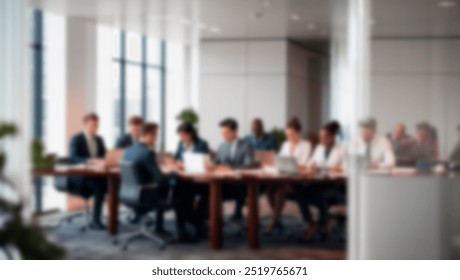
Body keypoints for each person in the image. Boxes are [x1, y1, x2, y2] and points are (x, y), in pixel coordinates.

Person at [123, 123, 197, 242]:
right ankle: (182, 233)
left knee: (165, 189)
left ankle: (159, 226)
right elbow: (160, 179)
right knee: (183, 190)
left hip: (129, 194)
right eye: (156, 135)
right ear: (148, 135)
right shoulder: (147, 153)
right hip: (145, 196)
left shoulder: (129, 150)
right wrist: (174, 173)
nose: (157, 138)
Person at [301, 121, 347, 241]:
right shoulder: (319, 148)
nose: (321, 140)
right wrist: (310, 166)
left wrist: (340, 169)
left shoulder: (342, 150)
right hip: (319, 183)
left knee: (321, 196)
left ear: (332, 137)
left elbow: (347, 168)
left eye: (324, 137)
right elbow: (309, 164)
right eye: (320, 137)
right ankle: (311, 224)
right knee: (301, 194)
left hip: (335, 187)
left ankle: (324, 225)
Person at [265, 117, 312, 235]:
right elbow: (279, 160)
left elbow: (305, 164)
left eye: (291, 134)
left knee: (281, 189)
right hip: (284, 176)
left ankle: (273, 223)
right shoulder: (286, 144)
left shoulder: (306, 145)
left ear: (298, 133)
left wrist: (296, 166)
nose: (289, 137)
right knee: (269, 189)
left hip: (298, 181)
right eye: (287, 135)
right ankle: (277, 220)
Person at [69, 113, 108, 230]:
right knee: (100, 187)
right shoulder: (76, 139)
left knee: (109, 183)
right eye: (92, 125)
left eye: (97, 125)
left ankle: (108, 218)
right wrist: (90, 161)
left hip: (97, 175)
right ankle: (96, 221)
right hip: (81, 178)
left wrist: (105, 161)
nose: (95, 128)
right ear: (85, 125)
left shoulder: (100, 139)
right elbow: (73, 158)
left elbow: (105, 156)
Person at [213, 118, 255, 220]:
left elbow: (249, 165)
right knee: (207, 190)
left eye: (227, 133)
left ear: (235, 131)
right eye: (222, 134)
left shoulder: (246, 146)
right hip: (223, 183)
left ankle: (215, 220)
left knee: (212, 191)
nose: (224, 136)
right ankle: (210, 220)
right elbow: (216, 162)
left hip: (240, 184)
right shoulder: (222, 146)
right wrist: (210, 165)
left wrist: (231, 168)